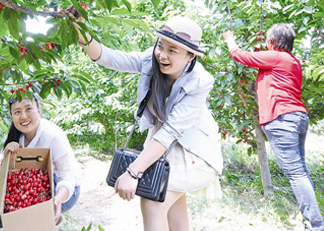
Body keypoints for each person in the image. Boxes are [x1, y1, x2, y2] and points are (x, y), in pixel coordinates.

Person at [73, 14, 223, 231]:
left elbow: (171, 131)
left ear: (190, 56)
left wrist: (133, 172)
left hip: (193, 154)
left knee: (153, 198)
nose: (162, 54)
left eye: (173, 50)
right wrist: (81, 32)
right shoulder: (150, 61)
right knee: (171, 208)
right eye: (160, 46)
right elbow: (109, 57)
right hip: (166, 150)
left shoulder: (199, 82)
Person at [221, 24, 324, 231]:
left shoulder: (277, 57)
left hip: (283, 119)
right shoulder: (292, 61)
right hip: (296, 117)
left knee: (296, 174)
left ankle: (315, 226)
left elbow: (240, 55)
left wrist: (229, 38)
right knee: (300, 171)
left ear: (272, 42)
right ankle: (311, 223)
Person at [0, 93, 80, 228]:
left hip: (65, 187)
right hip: (34, 182)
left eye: (28, 109)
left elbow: (68, 177)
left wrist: (57, 200)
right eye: (17, 112)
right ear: (12, 117)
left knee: (34, 214)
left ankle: (42, 217)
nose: (23, 116)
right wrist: (5, 159)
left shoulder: (53, 136)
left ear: (39, 110)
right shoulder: (14, 135)